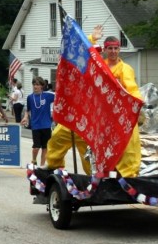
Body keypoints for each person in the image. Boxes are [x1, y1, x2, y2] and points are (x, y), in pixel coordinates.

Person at [47, 28, 143, 178]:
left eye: (115, 48)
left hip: (116, 115)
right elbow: (84, 52)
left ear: (119, 50)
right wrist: (92, 38)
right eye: (110, 48)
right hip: (94, 114)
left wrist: (135, 105)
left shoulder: (125, 69)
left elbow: (132, 89)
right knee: (61, 134)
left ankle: (128, 175)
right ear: (104, 49)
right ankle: (54, 165)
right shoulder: (98, 65)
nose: (113, 51)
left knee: (130, 136)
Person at [21, 77, 55, 167]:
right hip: (36, 125)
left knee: (45, 147)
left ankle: (42, 165)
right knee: (36, 147)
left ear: (42, 86)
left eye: (37, 85)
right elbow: (27, 110)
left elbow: (60, 97)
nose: (35, 86)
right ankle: (34, 160)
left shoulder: (48, 96)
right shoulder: (30, 97)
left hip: (46, 125)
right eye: (34, 84)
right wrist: (25, 118)